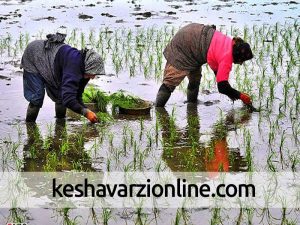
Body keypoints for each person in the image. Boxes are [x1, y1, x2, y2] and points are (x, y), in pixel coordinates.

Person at [155, 23, 254, 107]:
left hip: (193, 36)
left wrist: (232, 94)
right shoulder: (227, 57)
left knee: (195, 79)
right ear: (238, 55)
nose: (241, 64)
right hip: (184, 45)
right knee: (170, 82)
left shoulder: (227, 43)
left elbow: (220, 77)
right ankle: (158, 110)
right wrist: (241, 96)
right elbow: (222, 87)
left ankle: (192, 105)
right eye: (242, 60)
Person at [21, 33, 105, 123]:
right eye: (92, 73)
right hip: (34, 56)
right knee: (36, 98)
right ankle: (30, 125)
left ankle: (60, 123)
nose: (93, 77)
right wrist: (86, 113)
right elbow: (68, 99)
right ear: (89, 67)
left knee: (60, 96)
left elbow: (77, 95)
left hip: (52, 62)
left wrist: (87, 110)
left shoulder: (85, 70)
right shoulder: (73, 67)